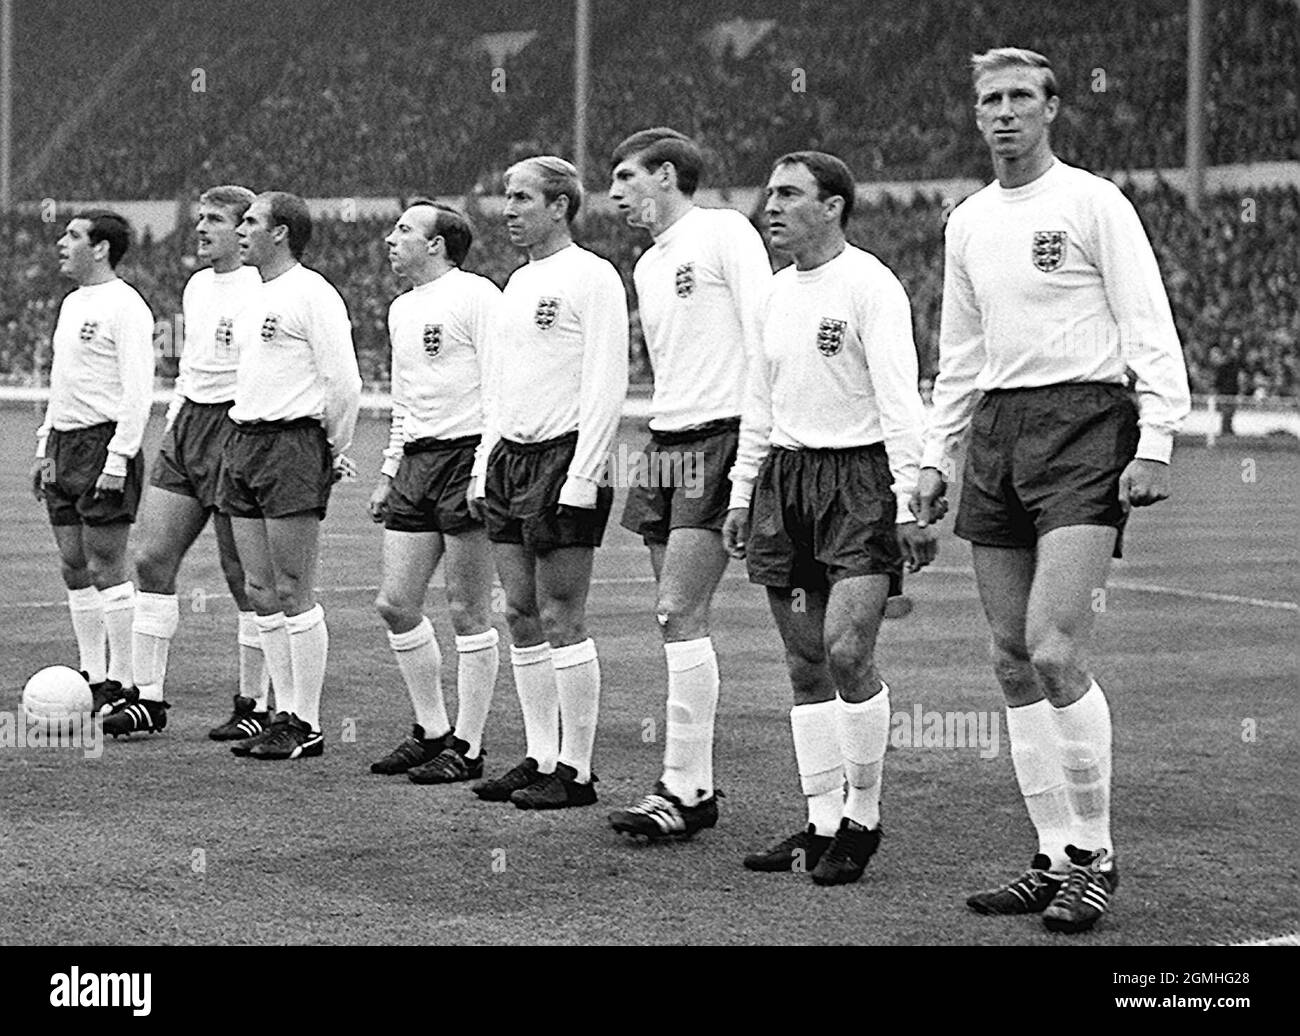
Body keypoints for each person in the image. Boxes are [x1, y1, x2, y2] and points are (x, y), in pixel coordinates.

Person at [911, 48, 1191, 933]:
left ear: (1052, 108)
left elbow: (1149, 321)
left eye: (1019, 97)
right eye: (989, 99)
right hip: (998, 428)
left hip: (1085, 424)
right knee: (1007, 655)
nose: (1002, 113)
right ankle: (1054, 854)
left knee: (1055, 648)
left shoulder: (1093, 201)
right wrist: (935, 457)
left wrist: (1156, 441)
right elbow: (959, 355)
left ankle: (1099, 857)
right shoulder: (966, 222)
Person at [721, 152, 936, 885]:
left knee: (847, 652)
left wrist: (909, 499)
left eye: (788, 194)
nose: (771, 206)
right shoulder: (773, 296)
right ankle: (818, 820)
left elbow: (901, 399)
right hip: (787, 480)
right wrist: (745, 491)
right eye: (769, 193)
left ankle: (863, 820)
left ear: (834, 205)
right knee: (804, 661)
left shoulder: (871, 285)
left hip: (860, 482)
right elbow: (761, 399)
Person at [604, 127, 772, 841]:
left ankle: (681, 785)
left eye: (624, 177)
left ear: (666, 174)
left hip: (722, 434)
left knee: (679, 610)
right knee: (673, 619)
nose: (612, 195)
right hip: (666, 439)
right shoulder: (646, 265)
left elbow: (768, 331)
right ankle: (691, 789)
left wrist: (755, 457)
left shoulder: (725, 232)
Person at [470, 156, 629, 809]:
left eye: (522, 197)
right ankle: (538, 756)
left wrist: (584, 474)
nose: (508, 209)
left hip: (564, 460)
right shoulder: (515, 282)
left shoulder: (593, 278)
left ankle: (578, 771)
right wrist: (484, 462)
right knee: (519, 612)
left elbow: (605, 381)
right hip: (511, 458)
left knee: (563, 614)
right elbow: (500, 386)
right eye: (507, 197)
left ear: (560, 206)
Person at [105, 185, 271, 739]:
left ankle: (255, 704)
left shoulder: (263, 287)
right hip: (189, 426)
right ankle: (147, 699)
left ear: (244, 227)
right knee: (151, 558)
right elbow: (194, 366)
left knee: (241, 575)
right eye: (200, 218)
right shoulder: (199, 284)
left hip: (237, 424)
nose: (201, 228)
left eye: (216, 220)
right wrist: (175, 421)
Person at [217, 191, 362, 761]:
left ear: (280, 233)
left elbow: (344, 382)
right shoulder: (254, 297)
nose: (242, 230)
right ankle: (281, 714)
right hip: (244, 440)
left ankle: (308, 721)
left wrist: (329, 448)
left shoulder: (312, 292)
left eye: (251, 221)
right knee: (258, 590)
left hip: (291, 444)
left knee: (292, 588)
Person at [367, 200, 501, 783]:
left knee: (468, 609)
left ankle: (468, 748)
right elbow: (405, 399)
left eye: (404, 230)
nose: (390, 239)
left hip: (469, 454)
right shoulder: (401, 309)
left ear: (438, 244)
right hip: (417, 462)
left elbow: (502, 385)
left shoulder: (476, 296)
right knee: (396, 603)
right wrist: (390, 469)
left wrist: (485, 467)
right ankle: (433, 730)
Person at [31, 210, 154, 717]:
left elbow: (138, 389)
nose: (62, 243)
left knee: (107, 566)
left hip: (103, 445)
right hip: (63, 446)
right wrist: (44, 447)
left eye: (74, 236)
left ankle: (123, 682)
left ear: (101, 248)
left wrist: (119, 457)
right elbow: (62, 383)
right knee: (72, 564)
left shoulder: (127, 307)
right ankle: (93, 672)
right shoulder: (72, 303)